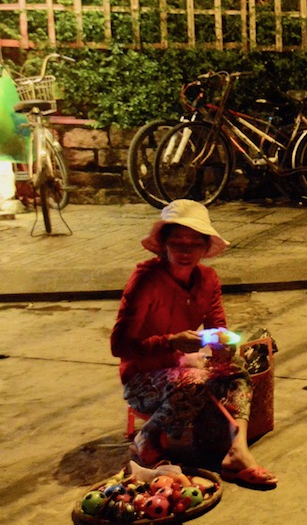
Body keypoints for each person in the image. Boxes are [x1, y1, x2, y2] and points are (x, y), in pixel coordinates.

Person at [110, 200, 277, 488]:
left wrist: (224, 344)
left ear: (204, 248)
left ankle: (238, 451)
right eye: (177, 243)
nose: (185, 252)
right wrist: (170, 342)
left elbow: (217, 328)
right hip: (142, 379)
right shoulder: (146, 280)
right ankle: (147, 438)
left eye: (194, 245)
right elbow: (120, 345)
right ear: (164, 245)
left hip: (181, 368)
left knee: (237, 367)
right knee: (195, 381)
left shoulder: (208, 279)